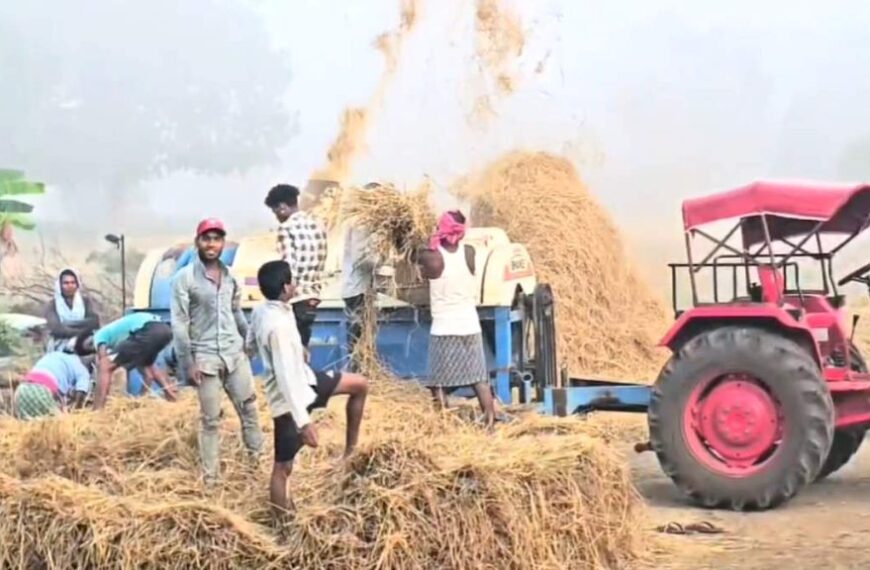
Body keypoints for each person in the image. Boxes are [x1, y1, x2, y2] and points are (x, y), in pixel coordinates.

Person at [246, 259, 368, 521]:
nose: (295, 285)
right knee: (282, 468)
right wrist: (304, 423)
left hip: (308, 382)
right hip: (289, 402)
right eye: (292, 280)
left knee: (359, 385)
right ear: (285, 286)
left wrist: (295, 348)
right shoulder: (276, 327)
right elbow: (285, 378)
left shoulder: (266, 311)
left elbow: (250, 343)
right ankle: (283, 525)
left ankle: (350, 452)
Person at [171, 218, 264, 485]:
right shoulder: (185, 279)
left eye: (217, 239)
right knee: (210, 420)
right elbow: (179, 324)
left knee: (249, 410)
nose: (212, 244)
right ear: (197, 241)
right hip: (205, 358)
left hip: (235, 354)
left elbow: (236, 312)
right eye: (206, 238)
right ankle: (211, 480)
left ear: (223, 243)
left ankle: (256, 466)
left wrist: (249, 342)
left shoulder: (231, 276)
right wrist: (188, 363)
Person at [416, 210, 496, 429]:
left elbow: (415, 262)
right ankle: (490, 425)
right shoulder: (469, 252)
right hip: (470, 324)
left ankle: (442, 425)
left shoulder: (429, 255)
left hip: (444, 327)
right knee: (479, 378)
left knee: (437, 382)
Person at [264, 184, 328, 348]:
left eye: (275, 212)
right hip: (313, 297)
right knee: (303, 348)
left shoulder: (286, 228)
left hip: (296, 299)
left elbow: (289, 266)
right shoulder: (317, 225)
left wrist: (282, 296)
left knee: (291, 352)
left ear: (282, 207)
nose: (276, 217)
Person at [77, 312, 178, 409]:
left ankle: (97, 410)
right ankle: (171, 397)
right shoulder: (126, 341)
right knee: (148, 366)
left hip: (147, 329)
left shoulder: (98, 335)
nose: (92, 348)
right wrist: (140, 399)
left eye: (89, 347)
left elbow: (102, 359)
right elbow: (149, 375)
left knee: (104, 365)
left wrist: (102, 363)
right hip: (165, 330)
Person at [12, 349, 94, 419]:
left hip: (21, 391)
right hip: (42, 391)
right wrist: (76, 414)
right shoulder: (82, 370)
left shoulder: (54, 355)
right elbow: (81, 392)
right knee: (61, 429)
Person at [341, 221, 375, 372]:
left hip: (360, 287)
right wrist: (385, 261)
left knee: (361, 333)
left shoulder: (359, 223)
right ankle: (355, 372)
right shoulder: (360, 225)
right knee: (357, 335)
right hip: (357, 288)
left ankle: (361, 371)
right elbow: (360, 258)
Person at [44, 268, 100, 352]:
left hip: (84, 342)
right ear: (59, 285)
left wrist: (68, 324)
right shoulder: (52, 304)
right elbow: (57, 329)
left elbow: (94, 321)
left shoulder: (85, 301)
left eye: (73, 282)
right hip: (60, 344)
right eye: (66, 283)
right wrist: (82, 330)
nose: (70, 286)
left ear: (77, 284)